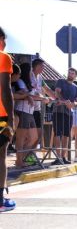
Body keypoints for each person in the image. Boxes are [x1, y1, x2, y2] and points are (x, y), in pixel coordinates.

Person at [0, 26, 16, 212]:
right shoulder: (3, 57)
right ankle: (0, 201)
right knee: (1, 155)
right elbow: (5, 89)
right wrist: (11, 120)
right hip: (1, 115)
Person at [51, 68, 77, 165]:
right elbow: (57, 92)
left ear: (75, 76)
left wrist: (72, 104)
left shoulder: (76, 88)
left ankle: (63, 157)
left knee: (66, 135)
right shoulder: (61, 81)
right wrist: (64, 102)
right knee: (57, 134)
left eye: (72, 73)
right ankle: (58, 157)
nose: (70, 74)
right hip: (58, 111)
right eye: (69, 72)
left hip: (69, 113)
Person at [30, 58, 53, 150]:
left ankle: (31, 156)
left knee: (39, 135)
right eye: (42, 66)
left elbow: (47, 89)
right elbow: (32, 93)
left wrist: (56, 98)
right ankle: (23, 157)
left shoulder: (40, 77)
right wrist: (43, 98)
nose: (43, 68)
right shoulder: (29, 75)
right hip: (28, 109)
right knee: (30, 136)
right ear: (36, 66)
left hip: (37, 109)